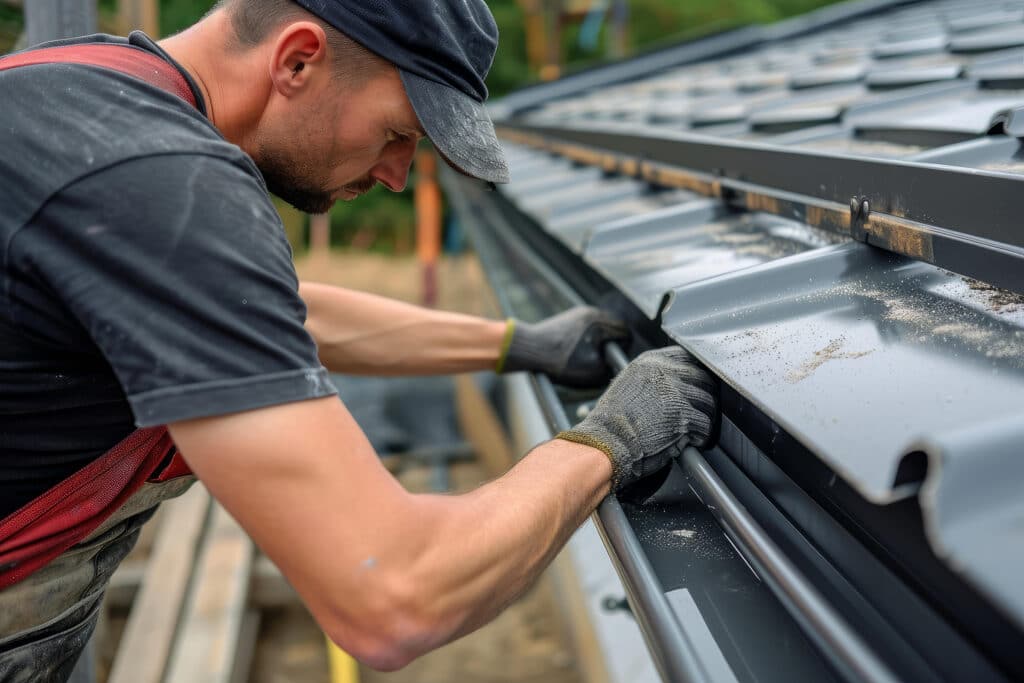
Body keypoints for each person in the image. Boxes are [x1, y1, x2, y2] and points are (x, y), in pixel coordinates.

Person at [0, 0, 718, 679]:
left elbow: (262, 316)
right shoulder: (164, 184)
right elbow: (395, 594)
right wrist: (610, 441)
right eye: (397, 132)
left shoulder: (79, 90)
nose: (397, 176)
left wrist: (520, 344)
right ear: (298, 60)